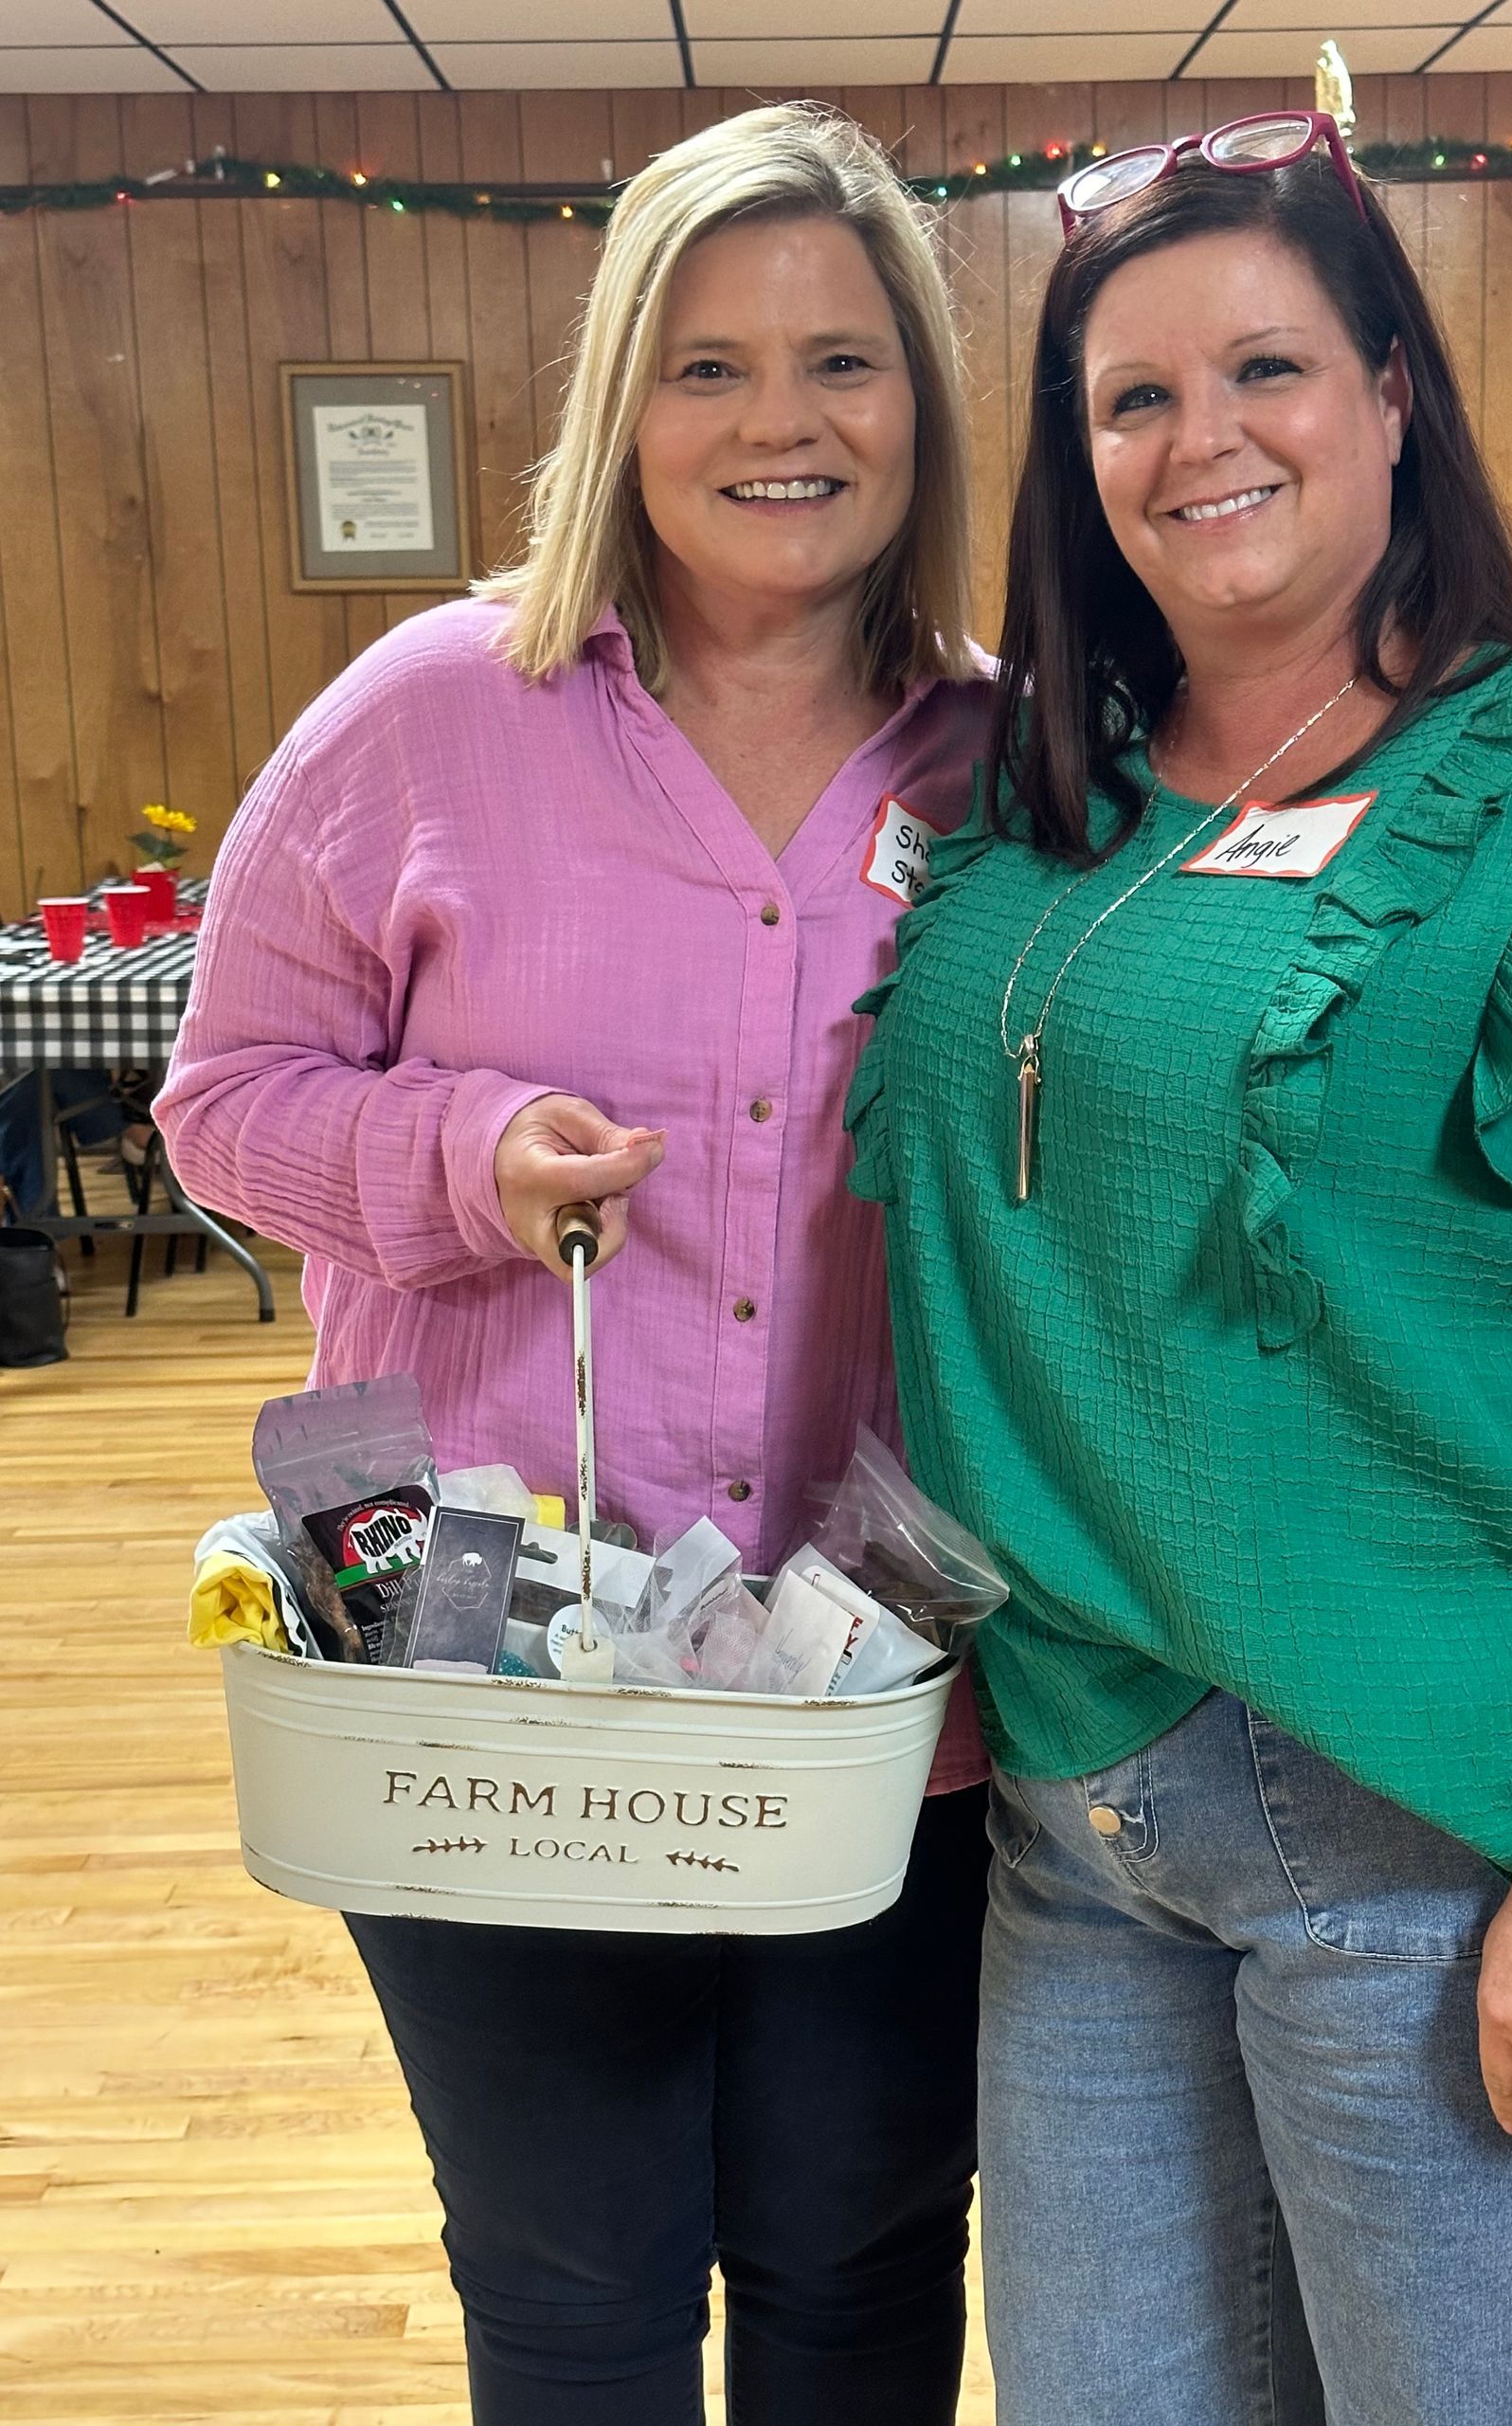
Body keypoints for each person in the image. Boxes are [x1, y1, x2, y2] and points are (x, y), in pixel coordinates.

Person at [846, 113, 1512, 2424]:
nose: (1202, 442)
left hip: (1454, 1822)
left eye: (1266, 367)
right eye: (1132, 399)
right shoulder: (1036, 798)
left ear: (1396, 389)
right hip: (1088, 1801)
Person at [158, 104, 992, 2426]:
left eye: (843, 360)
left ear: (920, 399)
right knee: (575, 2290)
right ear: (625, 395)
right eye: (709, 364)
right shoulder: (424, 721)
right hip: (493, 1697)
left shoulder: (1014, 758)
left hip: (889, 1698)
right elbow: (221, 1103)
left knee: (857, 2260)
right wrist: (455, 1151)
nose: (781, 423)